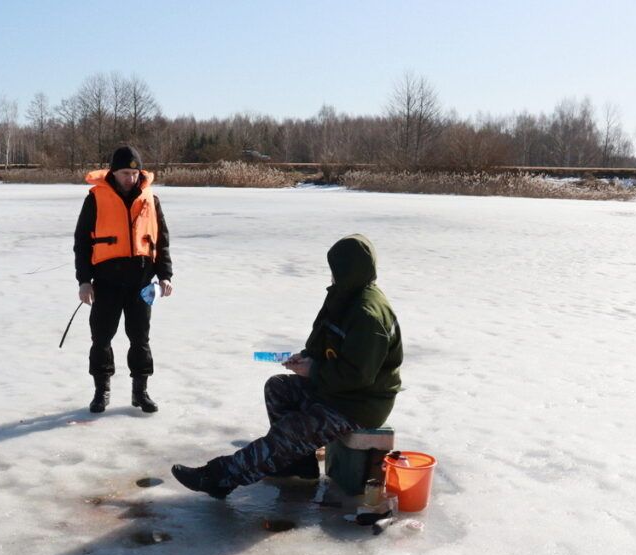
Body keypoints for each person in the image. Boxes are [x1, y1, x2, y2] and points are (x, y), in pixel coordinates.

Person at [172, 234, 402, 498]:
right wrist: (307, 357)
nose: (330, 275)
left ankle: (218, 477)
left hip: (360, 404)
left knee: (292, 430)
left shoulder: (367, 315)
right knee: (278, 388)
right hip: (340, 392)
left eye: (334, 269)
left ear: (347, 270)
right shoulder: (344, 296)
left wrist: (314, 371)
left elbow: (357, 376)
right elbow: (324, 340)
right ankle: (298, 463)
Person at [74, 145, 173, 414]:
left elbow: (161, 240)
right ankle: (101, 391)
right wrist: (84, 281)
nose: (130, 178)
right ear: (113, 173)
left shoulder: (151, 199)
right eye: (124, 173)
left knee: (140, 338)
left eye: (134, 172)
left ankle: (140, 392)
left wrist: (165, 274)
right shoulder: (95, 198)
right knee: (101, 337)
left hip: (141, 282)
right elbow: (82, 243)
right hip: (106, 282)